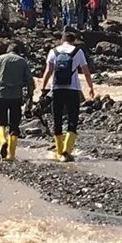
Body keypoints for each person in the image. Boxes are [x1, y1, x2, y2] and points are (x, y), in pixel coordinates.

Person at [40, 33, 96, 162]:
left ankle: (59, 152)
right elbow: (86, 72)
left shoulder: (53, 51)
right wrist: (91, 88)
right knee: (72, 119)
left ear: (62, 41)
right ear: (73, 41)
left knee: (57, 119)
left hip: (57, 89)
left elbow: (48, 71)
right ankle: (67, 150)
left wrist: (43, 89)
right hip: (73, 89)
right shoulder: (78, 51)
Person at [0, 43, 34, 161]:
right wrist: (30, 96)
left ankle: (3, 141)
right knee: (14, 126)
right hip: (16, 97)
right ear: (18, 52)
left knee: (0, 123)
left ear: (7, 51)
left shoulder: (0, 59)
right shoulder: (23, 62)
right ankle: (11, 155)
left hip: (1, 95)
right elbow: (30, 81)